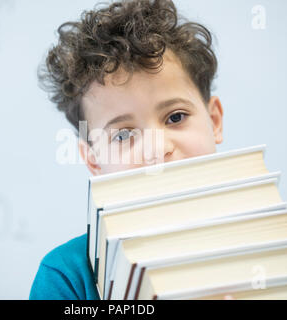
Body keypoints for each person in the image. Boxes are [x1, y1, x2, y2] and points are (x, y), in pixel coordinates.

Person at [29, 0, 224, 300]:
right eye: (122, 136)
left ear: (214, 121)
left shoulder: (272, 243)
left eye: (175, 117)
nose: (157, 150)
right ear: (94, 160)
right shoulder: (67, 277)